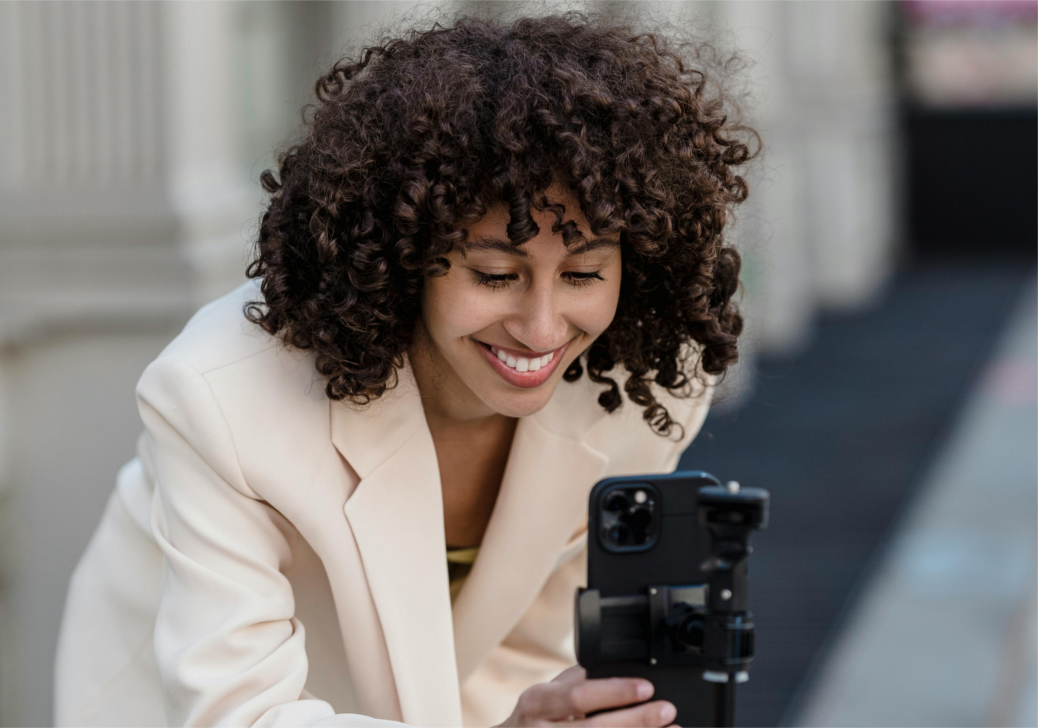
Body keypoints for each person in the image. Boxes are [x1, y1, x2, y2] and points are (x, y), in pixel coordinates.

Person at [54, 13, 753, 728]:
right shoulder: (219, 398)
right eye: (495, 274)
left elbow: (528, 653)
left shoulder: (642, 390)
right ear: (405, 256)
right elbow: (240, 712)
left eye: (583, 274)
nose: (543, 329)